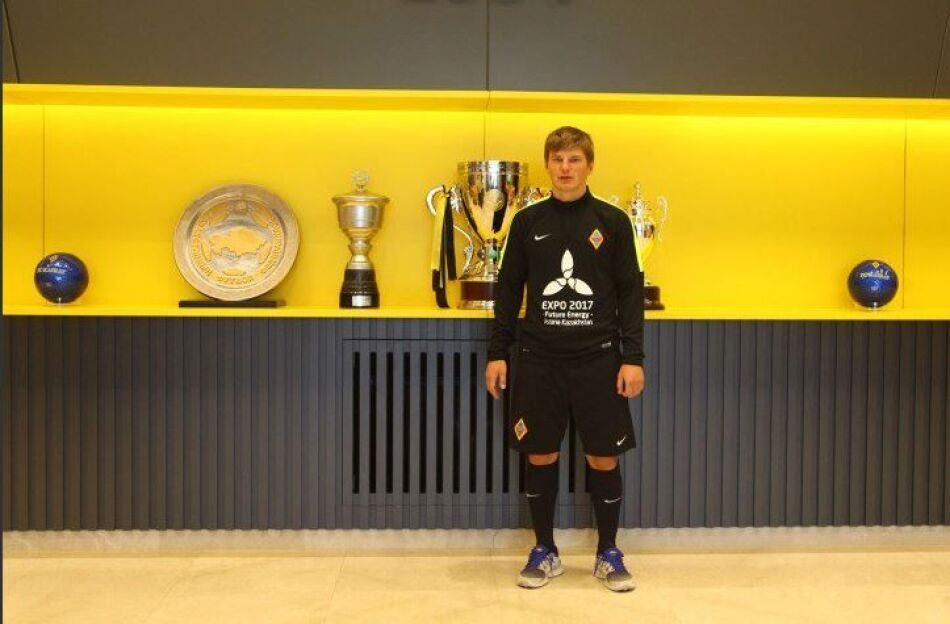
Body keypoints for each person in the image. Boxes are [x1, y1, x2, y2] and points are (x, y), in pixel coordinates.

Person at [486, 126, 645, 592]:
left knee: (603, 457)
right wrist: (497, 353)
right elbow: (508, 290)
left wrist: (633, 357)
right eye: (557, 159)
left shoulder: (613, 221)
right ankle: (545, 550)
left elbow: (630, 293)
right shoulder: (527, 222)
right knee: (541, 453)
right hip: (538, 359)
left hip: (599, 359)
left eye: (574, 159)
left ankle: (608, 552)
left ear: (590, 166)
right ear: (548, 166)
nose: (565, 168)